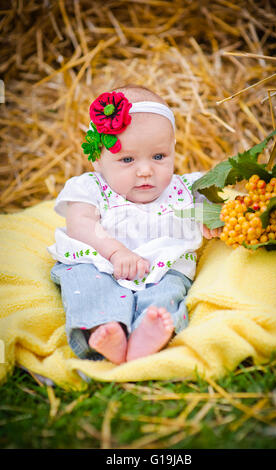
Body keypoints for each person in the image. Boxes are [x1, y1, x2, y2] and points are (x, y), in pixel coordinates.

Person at [48, 84, 221, 365]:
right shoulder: (91, 187)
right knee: (86, 284)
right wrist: (115, 251)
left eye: (159, 157)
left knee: (168, 292)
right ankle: (106, 328)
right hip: (99, 262)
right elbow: (80, 224)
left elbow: (213, 199)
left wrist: (210, 218)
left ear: (173, 150)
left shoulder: (184, 189)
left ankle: (146, 333)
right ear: (98, 160)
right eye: (127, 159)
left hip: (162, 268)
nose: (145, 170)